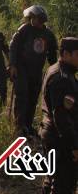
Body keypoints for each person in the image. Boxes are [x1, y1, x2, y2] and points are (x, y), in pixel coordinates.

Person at [9, 5, 58, 136]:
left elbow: (52, 54)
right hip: (21, 69)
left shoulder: (48, 35)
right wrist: (12, 65)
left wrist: (55, 71)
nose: (32, 20)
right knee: (22, 96)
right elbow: (13, 47)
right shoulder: (24, 30)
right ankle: (19, 127)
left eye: (34, 18)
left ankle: (28, 126)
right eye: (31, 18)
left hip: (36, 70)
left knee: (33, 97)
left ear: (40, 20)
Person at [40, 37, 78, 193]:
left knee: (53, 179)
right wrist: (74, 146)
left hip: (54, 136)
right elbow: (61, 117)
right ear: (66, 54)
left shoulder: (59, 70)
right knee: (64, 184)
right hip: (60, 140)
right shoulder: (61, 77)